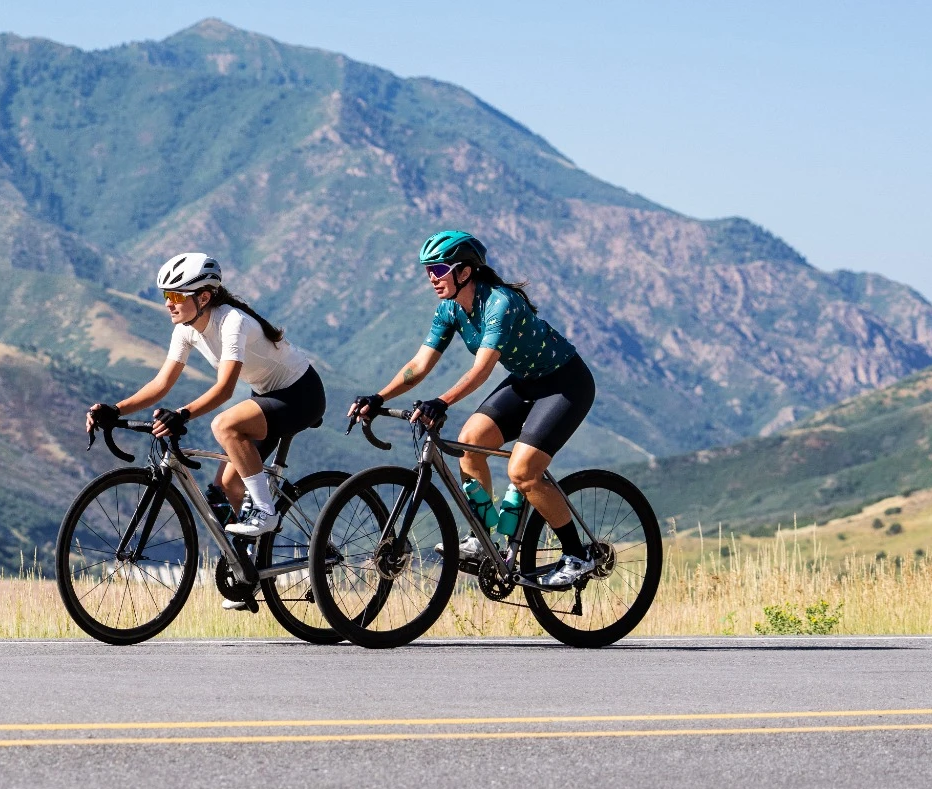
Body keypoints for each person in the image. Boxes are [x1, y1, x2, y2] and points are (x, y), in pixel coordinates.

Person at [347, 230, 598, 588]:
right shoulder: (449, 309)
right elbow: (419, 365)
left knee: (524, 471)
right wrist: (379, 397)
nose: (432, 278)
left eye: (438, 269)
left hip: (565, 383)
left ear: (464, 271)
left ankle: (578, 554)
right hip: (526, 381)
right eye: (428, 271)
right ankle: (483, 539)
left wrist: (442, 401)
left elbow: (482, 370)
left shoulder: (500, 303)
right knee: (469, 442)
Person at [85, 253, 326, 544]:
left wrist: (182, 414)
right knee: (227, 486)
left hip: (301, 395)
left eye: (175, 295)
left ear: (203, 298)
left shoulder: (232, 322)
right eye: (166, 294)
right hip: (266, 395)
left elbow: (224, 389)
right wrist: (116, 409)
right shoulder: (185, 331)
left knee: (224, 425)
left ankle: (265, 511)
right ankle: (252, 564)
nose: (167, 303)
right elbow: (161, 384)